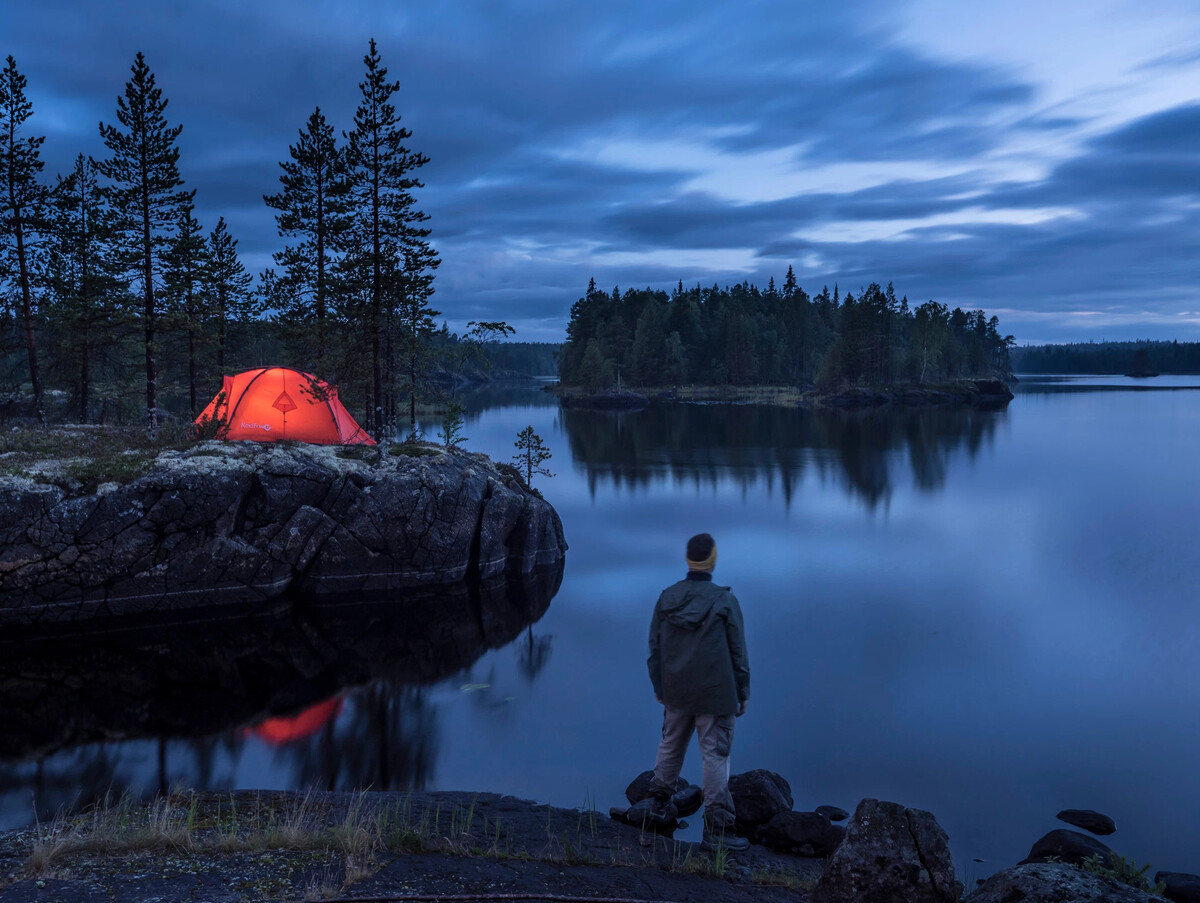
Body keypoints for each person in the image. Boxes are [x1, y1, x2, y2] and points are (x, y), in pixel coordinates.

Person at [646, 532, 751, 852]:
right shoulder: (725, 600)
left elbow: (655, 648)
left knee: (670, 745)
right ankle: (717, 828)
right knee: (715, 756)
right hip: (716, 693)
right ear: (713, 559)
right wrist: (742, 690)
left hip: (677, 689)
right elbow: (738, 652)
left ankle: (658, 805)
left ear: (688, 560)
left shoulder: (667, 597)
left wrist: (659, 686)